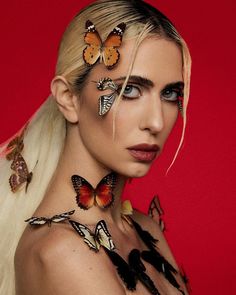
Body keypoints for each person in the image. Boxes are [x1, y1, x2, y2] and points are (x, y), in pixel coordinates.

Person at [0, 0, 191, 294]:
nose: (155, 121)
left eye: (169, 93)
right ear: (68, 98)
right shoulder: (62, 252)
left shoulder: (145, 228)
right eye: (128, 89)